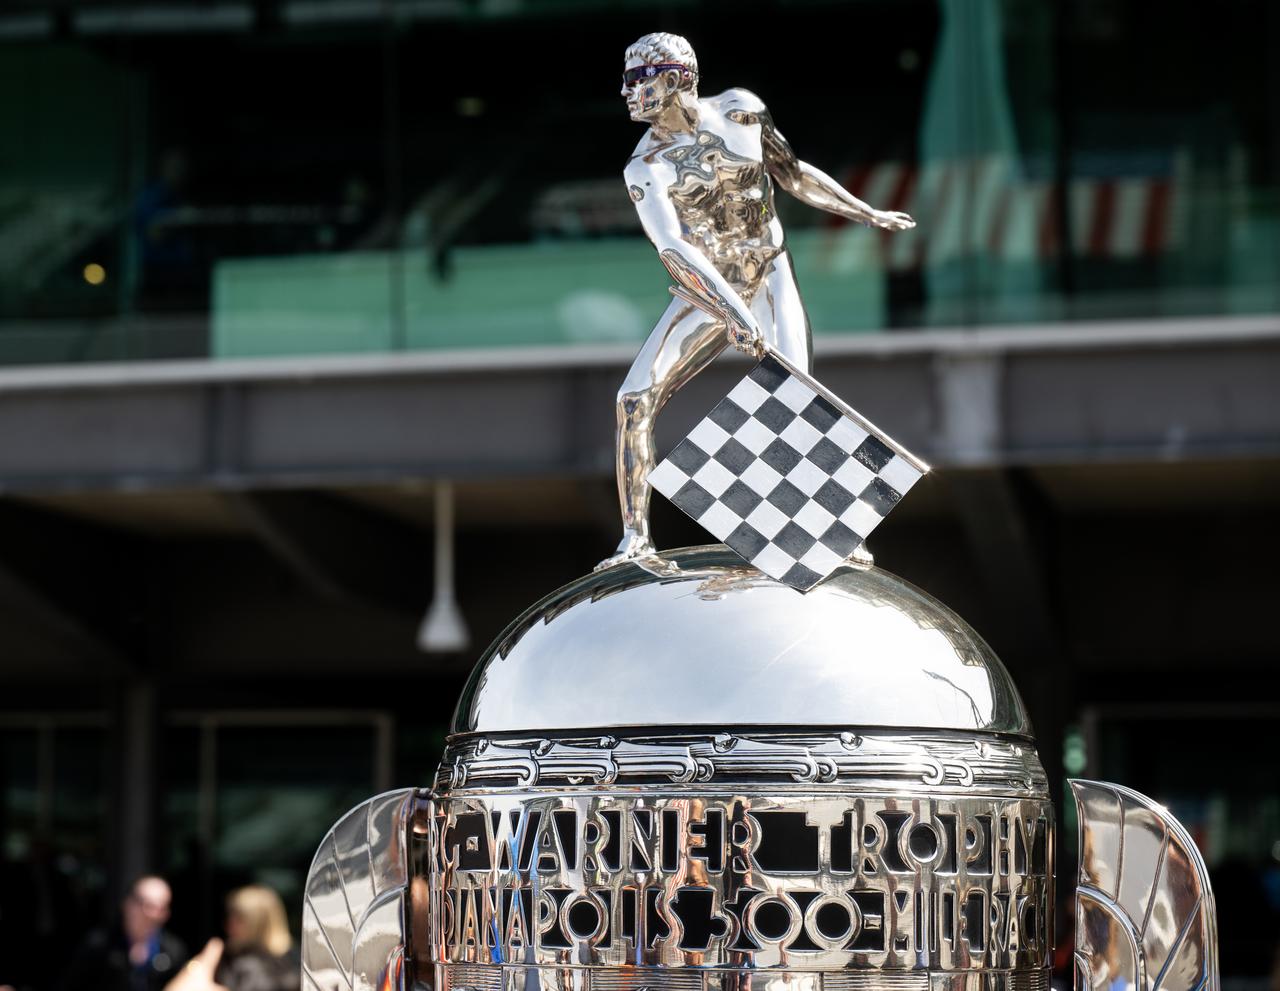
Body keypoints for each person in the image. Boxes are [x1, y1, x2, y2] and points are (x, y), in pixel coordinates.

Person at [598, 32, 916, 569]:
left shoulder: (742, 112)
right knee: (633, 400)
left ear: (674, 80)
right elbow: (673, 249)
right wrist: (731, 311)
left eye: (637, 80)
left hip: (768, 269)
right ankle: (635, 540)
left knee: (797, 393)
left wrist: (866, 213)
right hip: (708, 285)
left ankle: (828, 528)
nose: (626, 92)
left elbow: (792, 174)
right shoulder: (645, 168)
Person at [59, 875, 189, 991]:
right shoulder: (98, 946)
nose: (153, 915)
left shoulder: (174, 950)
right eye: (148, 905)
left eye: (162, 908)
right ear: (127, 904)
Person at [213, 886, 299, 991]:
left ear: (260, 923)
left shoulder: (295, 963)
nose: (229, 925)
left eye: (239, 919)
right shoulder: (228, 955)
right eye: (230, 917)